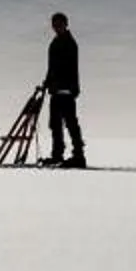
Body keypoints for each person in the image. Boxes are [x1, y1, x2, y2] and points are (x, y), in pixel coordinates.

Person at [42, 12, 86, 168]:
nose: (56, 27)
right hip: (56, 89)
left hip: (66, 90)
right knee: (55, 124)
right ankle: (57, 154)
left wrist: (69, 86)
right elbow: (52, 67)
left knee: (70, 123)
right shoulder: (57, 42)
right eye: (54, 24)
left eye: (59, 24)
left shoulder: (68, 43)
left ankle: (79, 155)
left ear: (65, 24)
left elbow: (69, 67)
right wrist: (47, 82)